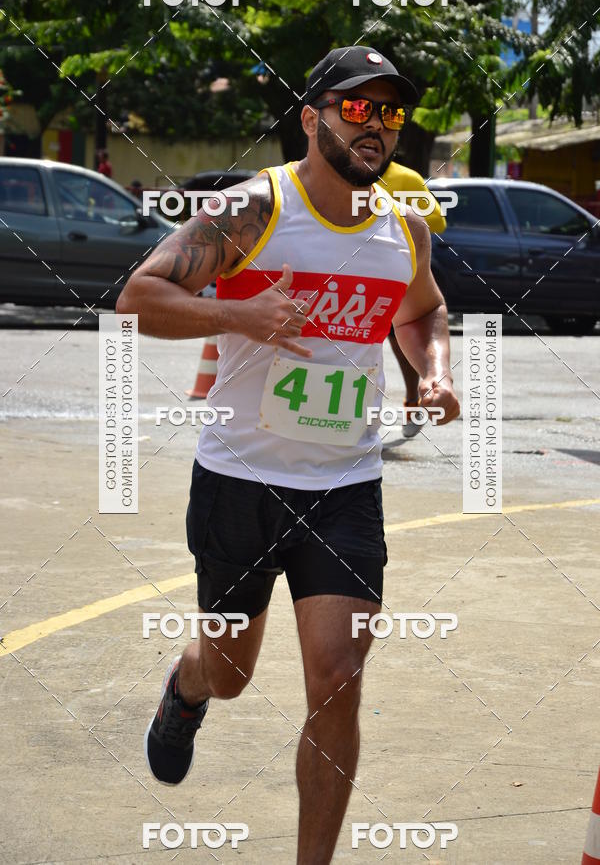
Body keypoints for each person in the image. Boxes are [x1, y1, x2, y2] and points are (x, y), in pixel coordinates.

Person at [116, 45, 460, 864]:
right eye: (356, 107)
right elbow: (139, 297)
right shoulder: (252, 211)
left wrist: (434, 372)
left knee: (338, 674)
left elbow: (423, 311)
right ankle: (187, 687)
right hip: (238, 478)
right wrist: (238, 317)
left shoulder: (403, 227)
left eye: (390, 112)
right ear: (312, 118)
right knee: (231, 670)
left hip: (344, 486)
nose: (375, 125)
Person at [380, 160, 447, 437]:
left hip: (394, 275)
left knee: (401, 344)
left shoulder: (406, 178)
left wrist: (398, 216)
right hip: (346, 276)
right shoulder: (337, 174)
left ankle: (411, 403)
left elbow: (438, 221)